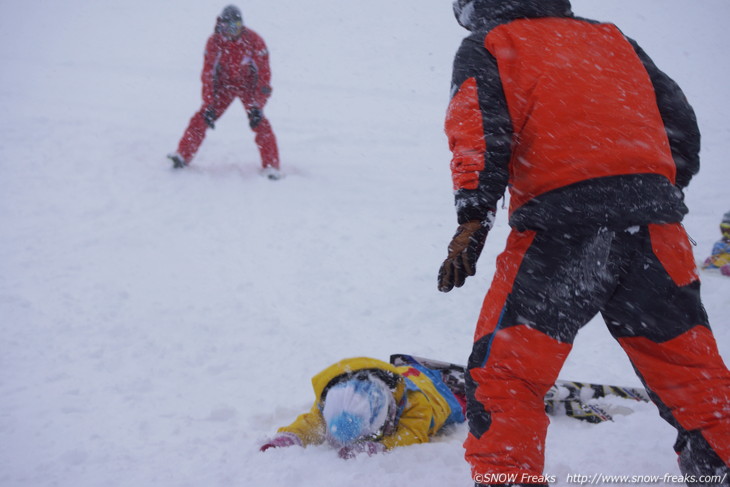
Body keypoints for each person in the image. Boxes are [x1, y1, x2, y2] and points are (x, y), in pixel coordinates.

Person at [437, 1, 730, 486]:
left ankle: (509, 478)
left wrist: (473, 215)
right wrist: (647, 190)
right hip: (656, 231)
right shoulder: (613, 39)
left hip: (561, 231)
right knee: (690, 370)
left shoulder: (490, 44)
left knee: (508, 377)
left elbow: (479, 130)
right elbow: (679, 123)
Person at [259, 357, 465, 458]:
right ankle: (416, 368)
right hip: (403, 374)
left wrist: (379, 447)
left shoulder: (416, 404)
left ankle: (451, 381)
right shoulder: (334, 399)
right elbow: (311, 423)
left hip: (436, 393)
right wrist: (291, 437)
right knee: (409, 372)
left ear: (385, 416)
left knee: (457, 405)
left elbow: (413, 434)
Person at [168, 5, 281, 179]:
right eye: (227, 27)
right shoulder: (214, 42)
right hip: (224, 86)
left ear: (241, 26)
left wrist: (258, 104)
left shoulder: (254, 40)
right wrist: (209, 103)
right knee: (202, 117)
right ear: (221, 26)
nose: (231, 32)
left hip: (248, 86)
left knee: (260, 123)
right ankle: (182, 155)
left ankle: (271, 166)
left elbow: (264, 74)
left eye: (235, 27)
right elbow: (208, 74)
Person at [702, 211, 730, 276]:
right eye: (723, 230)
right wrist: (713, 259)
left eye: (728, 231)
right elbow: (718, 255)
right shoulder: (720, 244)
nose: (726, 234)